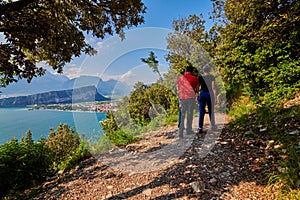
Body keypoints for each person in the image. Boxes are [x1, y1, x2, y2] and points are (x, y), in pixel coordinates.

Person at [177, 65, 199, 138]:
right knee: (189, 114)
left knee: (182, 115)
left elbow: (178, 88)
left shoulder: (180, 78)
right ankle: (188, 130)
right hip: (190, 98)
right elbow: (197, 89)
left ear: (185, 71)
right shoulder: (195, 78)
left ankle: (180, 132)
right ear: (192, 71)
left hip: (182, 98)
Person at [197, 65, 217, 134]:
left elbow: (197, 87)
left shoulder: (200, 77)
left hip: (202, 93)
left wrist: (197, 95)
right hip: (209, 93)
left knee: (201, 111)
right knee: (211, 110)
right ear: (209, 70)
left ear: (203, 70)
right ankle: (213, 126)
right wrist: (215, 97)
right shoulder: (212, 77)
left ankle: (200, 127)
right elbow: (213, 87)